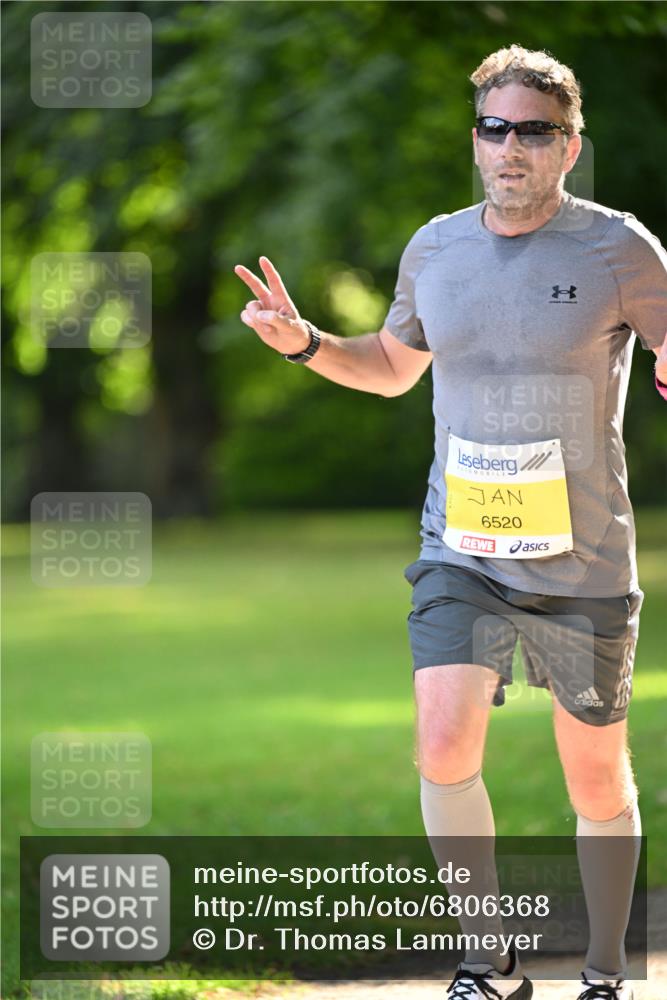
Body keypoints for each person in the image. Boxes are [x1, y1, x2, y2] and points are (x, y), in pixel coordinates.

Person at [234, 43, 667, 1000]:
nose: (509, 147)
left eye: (533, 132)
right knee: (440, 742)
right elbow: (392, 366)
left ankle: (605, 972)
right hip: (458, 546)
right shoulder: (434, 247)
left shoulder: (619, 249)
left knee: (594, 778)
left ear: (569, 143)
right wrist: (305, 343)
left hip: (581, 554)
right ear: (475, 139)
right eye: (493, 128)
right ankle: (491, 960)